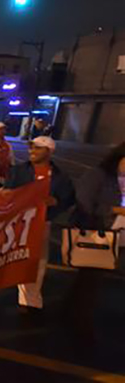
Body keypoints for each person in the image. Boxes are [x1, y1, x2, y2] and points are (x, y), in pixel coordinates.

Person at [2, 136, 75, 316]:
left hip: (41, 223)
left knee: (37, 261)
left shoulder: (60, 177)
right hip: (17, 222)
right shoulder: (19, 171)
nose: (31, 151)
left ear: (49, 151)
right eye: (31, 147)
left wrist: (56, 202)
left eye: (37, 148)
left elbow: (68, 198)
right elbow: (7, 192)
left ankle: (31, 300)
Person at [67, 142, 125, 342]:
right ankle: (82, 325)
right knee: (91, 280)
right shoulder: (98, 175)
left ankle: (70, 309)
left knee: (89, 280)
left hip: (120, 235)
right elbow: (84, 202)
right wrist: (115, 210)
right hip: (98, 233)